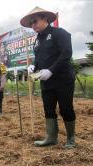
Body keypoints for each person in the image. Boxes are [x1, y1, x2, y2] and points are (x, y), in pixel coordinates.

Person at [21, 7, 76, 148]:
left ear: (45, 18)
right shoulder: (37, 40)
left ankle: (70, 139)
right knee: (48, 109)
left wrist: (51, 70)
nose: (33, 25)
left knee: (66, 108)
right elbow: (39, 59)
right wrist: (33, 65)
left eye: (35, 21)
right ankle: (51, 137)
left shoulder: (59, 33)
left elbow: (66, 53)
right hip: (46, 81)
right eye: (31, 23)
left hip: (63, 79)